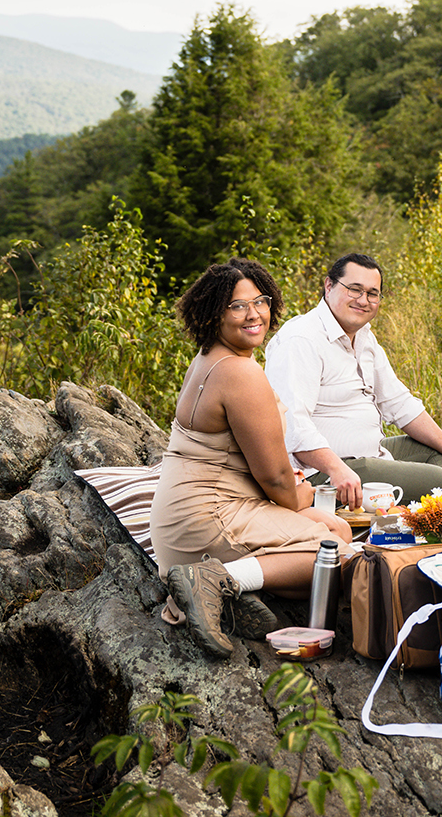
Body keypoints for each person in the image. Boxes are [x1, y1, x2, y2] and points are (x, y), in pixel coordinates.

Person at [263, 253, 442, 550]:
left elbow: (399, 402)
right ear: (328, 286)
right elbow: (294, 426)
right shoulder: (302, 339)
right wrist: (337, 469)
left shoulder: (365, 337)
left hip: (368, 456)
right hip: (327, 472)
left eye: (373, 293)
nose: (364, 300)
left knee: (437, 456)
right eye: (354, 289)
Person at [149, 256, 353, 660]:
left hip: (181, 521)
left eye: (259, 300)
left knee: (335, 530)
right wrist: (315, 493)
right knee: (339, 555)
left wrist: (308, 502)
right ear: (214, 314)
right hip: (207, 520)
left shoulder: (212, 359)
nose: (253, 313)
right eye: (237, 305)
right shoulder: (240, 374)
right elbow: (277, 482)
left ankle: (231, 596)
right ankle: (216, 580)